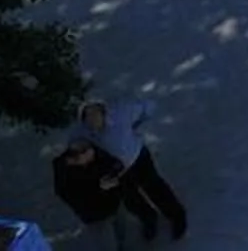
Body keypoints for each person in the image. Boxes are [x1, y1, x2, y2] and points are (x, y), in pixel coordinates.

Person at [76, 102, 184, 242]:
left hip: (138, 158)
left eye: (95, 113)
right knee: (131, 200)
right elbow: (74, 143)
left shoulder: (122, 115)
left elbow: (147, 108)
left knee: (155, 188)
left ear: (103, 112)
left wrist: (138, 129)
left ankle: (177, 217)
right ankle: (149, 220)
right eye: (87, 116)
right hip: (118, 171)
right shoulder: (85, 133)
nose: (92, 118)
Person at [48, 143, 132, 249]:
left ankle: (121, 244)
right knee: (107, 245)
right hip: (96, 216)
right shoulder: (65, 176)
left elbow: (115, 163)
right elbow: (76, 199)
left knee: (120, 229)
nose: (93, 156)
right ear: (75, 160)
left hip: (115, 203)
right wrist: (99, 188)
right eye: (88, 156)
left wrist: (116, 174)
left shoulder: (93, 152)